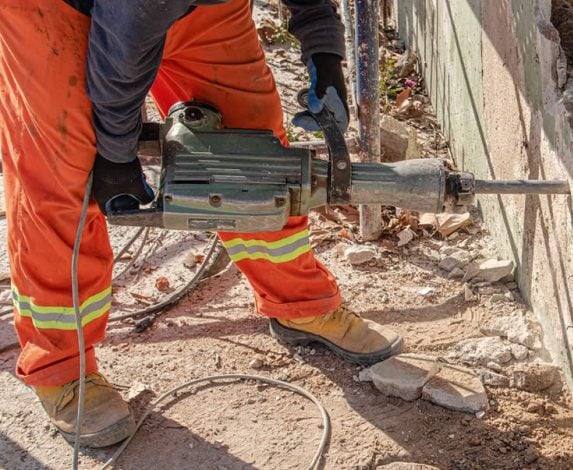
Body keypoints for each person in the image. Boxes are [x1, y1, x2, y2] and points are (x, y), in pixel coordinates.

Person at [0, 0, 402, 448]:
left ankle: (299, 302)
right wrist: (116, 154)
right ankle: (59, 366)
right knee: (64, 176)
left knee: (254, 146)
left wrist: (324, 53)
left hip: (195, 8)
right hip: (55, 11)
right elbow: (121, 58)